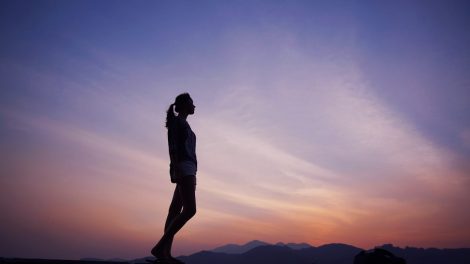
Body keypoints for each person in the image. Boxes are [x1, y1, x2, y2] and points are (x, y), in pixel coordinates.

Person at [150, 93, 197, 264]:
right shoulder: (178, 123)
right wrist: (176, 168)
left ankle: (165, 254)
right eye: (192, 103)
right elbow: (173, 147)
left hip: (189, 169)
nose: (195, 106)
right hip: (184, 168)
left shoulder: (184, 124)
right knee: (190, 210)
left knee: (174, 211)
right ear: (185, 105)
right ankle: (159, 248)